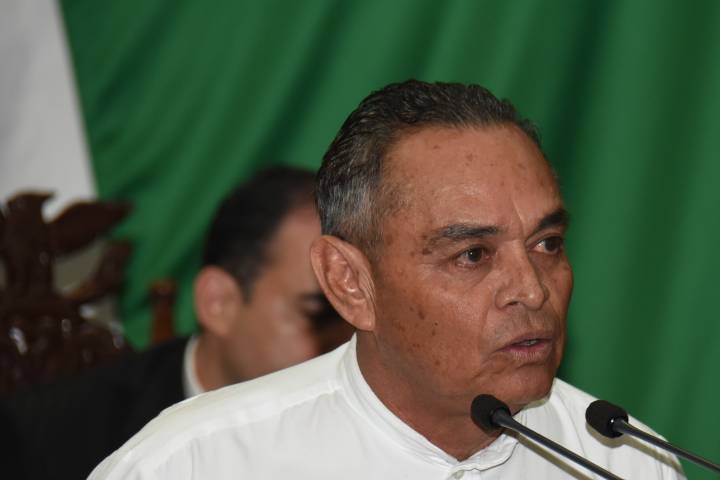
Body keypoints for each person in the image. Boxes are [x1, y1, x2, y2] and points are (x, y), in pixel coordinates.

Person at [89, 81, 685, 479]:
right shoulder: (194, 464)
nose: (532, 290)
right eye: (473, 255)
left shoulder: (624, 462)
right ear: (350, 283)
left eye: (547, 244)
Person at [0, 166, 350, 480]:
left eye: (360, 308)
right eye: (319, 314)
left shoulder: (363, 421)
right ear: (218, 303)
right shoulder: (57, 439)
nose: (351, 339)